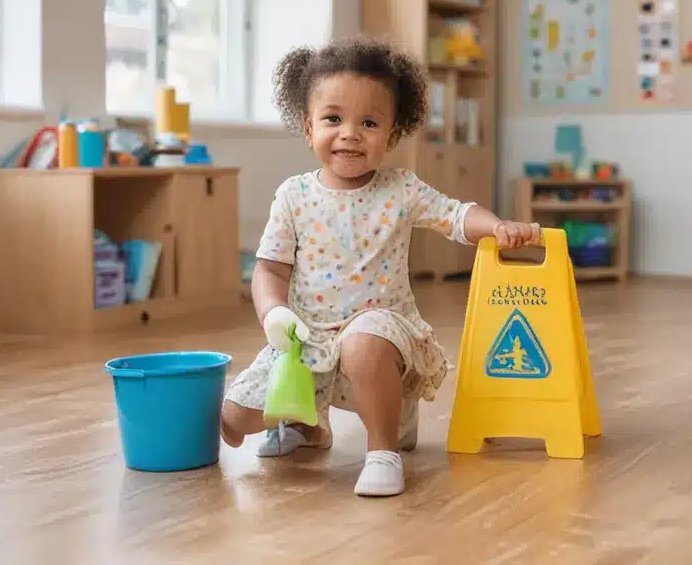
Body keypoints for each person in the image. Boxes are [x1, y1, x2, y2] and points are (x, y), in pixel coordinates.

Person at [220, 38, 541, 497]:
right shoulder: (293, 195)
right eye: (333, 119)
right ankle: (309, 425)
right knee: (233, 423)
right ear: (309, 128)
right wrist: (274, 314)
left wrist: (498, 226)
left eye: (368, 122)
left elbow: (456, 215)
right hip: (308, 342)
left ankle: (385, 444)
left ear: (390, 136)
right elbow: (269, 269)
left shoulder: (400, 189)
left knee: (364, 342)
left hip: (380, 337)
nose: (350, 133)